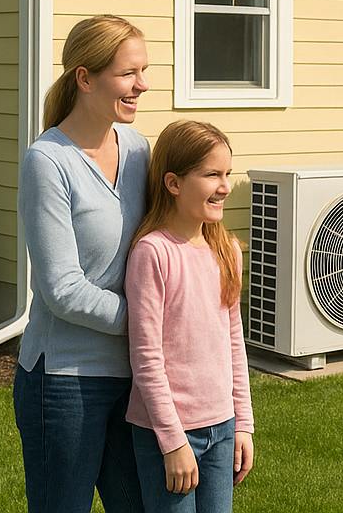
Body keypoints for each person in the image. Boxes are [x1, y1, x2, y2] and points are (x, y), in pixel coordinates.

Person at [14, 15, 151, 513]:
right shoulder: (47, 161)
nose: (143, 85)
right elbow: (62, 288)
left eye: (143, 70)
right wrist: (151, 323)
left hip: (133, 378)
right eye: (128, 73)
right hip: (64, 384)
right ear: (85, 78)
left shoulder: (139, 150)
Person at [126, 121, 255, 513]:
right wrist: (173, 442)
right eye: (212, 174)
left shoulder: (226, 250)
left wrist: (243, 424)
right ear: (174, 183)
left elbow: (234, 341)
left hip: (222, 427)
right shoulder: (153, 253)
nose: (225, 186)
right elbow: (147, 358)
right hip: (168, 435)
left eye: (227, 174)